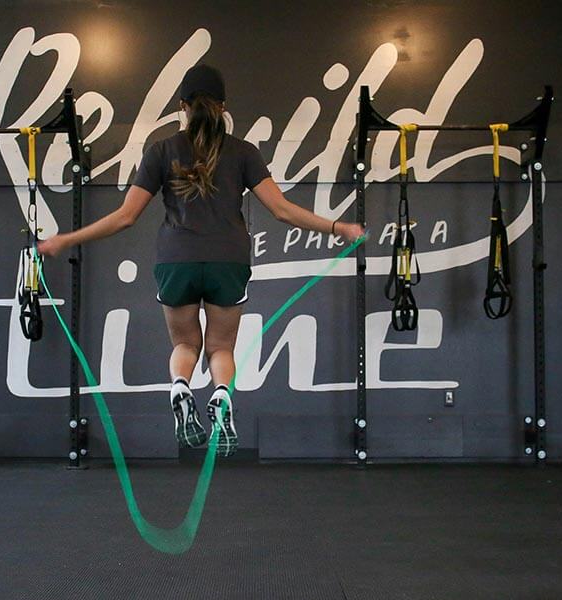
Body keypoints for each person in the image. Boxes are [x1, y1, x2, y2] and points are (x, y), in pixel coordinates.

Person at [38, 64, 364, 456]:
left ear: (182, 106)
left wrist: (66, 239)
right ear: (223, 107)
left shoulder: (161, 151)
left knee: (185, 344)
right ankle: (221, 397)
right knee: (221, 347)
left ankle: (180, 388)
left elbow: (125, 217)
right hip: (229, 260)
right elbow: (281, 210)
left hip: (177, 261)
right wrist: (337, 227)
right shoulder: (243, 152)